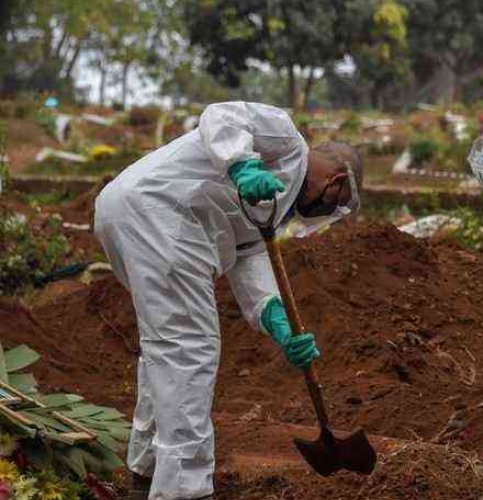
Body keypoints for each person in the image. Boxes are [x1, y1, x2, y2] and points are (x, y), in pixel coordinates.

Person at [93, 101, 362, 500]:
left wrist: (279, 323)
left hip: (133, 214)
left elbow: (249, 257)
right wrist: (241, 164)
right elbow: (221, 115)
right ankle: (185, 491)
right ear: (337, 179)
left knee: (166, 351)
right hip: (160, 213)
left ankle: (147, 473)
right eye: (334, 203)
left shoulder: (275, 206)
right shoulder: (286, 140)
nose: (324, 211)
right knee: (189, 351)